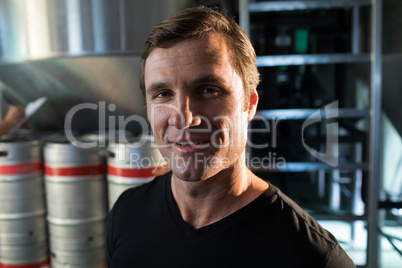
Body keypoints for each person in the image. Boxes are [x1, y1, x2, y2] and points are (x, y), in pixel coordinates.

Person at [106, 7, 356, 267]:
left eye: (208, 90)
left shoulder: (312, 256)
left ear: (249, 103)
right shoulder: (126, 213)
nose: (183, 117)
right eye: (162, 94)